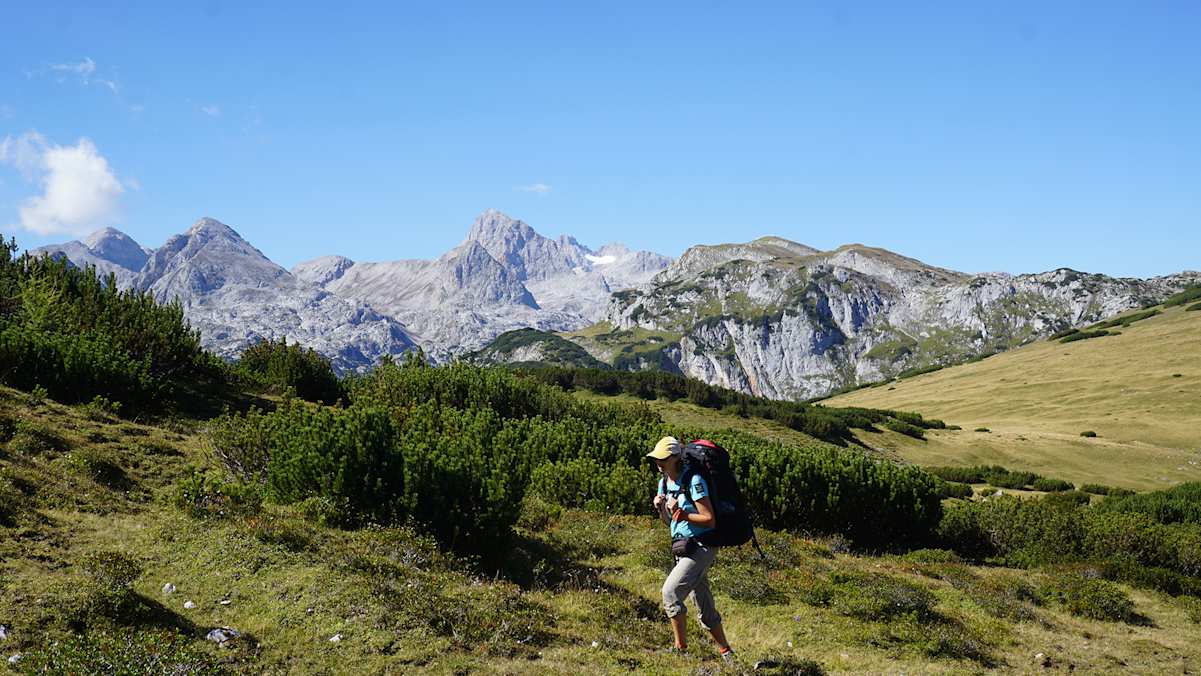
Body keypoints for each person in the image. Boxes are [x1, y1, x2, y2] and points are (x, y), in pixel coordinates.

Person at [647, 436, 734, 661]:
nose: (658, 462)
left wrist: (683, 513)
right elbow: (671, 523)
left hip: (702, 547)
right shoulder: (664, 482)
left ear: (675, 457)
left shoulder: (694, 480)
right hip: (683, 548)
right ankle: (727, 653)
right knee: (704, 604)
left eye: (663, 458)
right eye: (656, 458)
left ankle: (681, 649)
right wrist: (661, 510)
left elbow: (709, 519)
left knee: (670, 592)